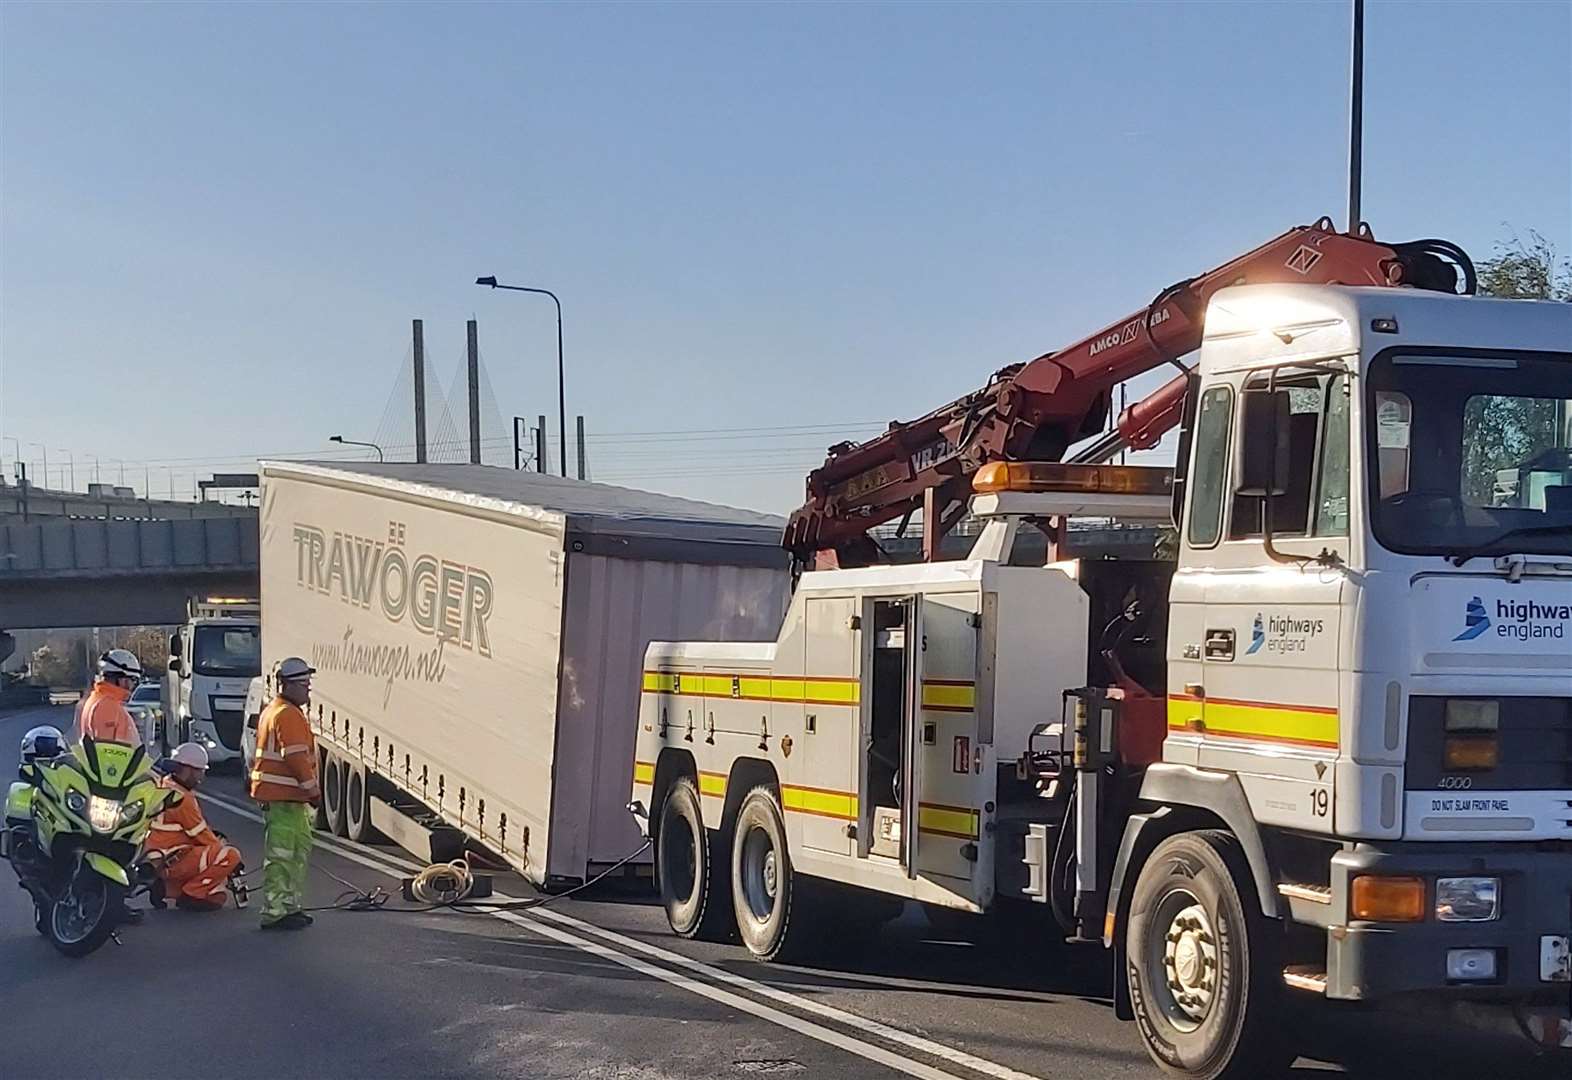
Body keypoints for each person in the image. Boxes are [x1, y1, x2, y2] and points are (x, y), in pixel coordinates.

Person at [249, 657, 320, 931]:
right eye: (304, 685)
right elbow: (295, 757)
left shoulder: (274, 710)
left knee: (294, 854)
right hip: (285, 798)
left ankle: (289, 906)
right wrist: (312, 790)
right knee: (282, 856)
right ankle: (276, 910)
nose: (307, 690)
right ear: (288, 685)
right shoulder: (287, 714)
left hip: (285, 798)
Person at [146, 742, 242, 911]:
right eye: (200, 771)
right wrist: (229, 860)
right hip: (173, 859)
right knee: (230, 855)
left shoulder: (165, 785)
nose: (202, 777)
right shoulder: (182, 798)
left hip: (159, 857)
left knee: (217, 897)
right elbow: (203, 836)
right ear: (188, 769)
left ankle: (167, 889)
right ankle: (192, 893)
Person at [75, 649, 143, 745]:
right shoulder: (107, 705)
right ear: (123, 680)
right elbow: (108, 750)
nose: (132, 686)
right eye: (133, 680)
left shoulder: (96, 699)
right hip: (121, 760)